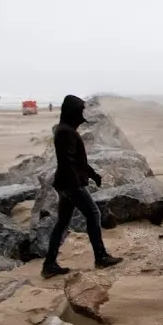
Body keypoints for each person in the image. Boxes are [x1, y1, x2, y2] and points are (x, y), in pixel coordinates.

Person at [42, 95, 122, 279]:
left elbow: (76, 161)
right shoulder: (67, 132)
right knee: (93, 214)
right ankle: (100, 257)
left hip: (64, 183)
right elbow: (67, 162)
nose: (82, 115)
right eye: (80, 111)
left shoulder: (65, 130)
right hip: (70, 184)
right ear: (72, 113)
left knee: (62, 223)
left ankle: (49, 264)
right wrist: (77, 186)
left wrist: (93, 175)